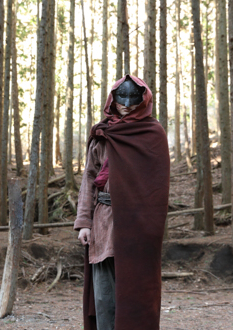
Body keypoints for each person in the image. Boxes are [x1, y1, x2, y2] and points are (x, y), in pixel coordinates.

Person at [74, 75, 170, 330]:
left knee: (136, 292)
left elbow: (157, 186)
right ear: (112, 100)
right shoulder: (102, 134)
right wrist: (84, 223)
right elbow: (89, 179)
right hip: (104, 221)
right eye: (121, 100)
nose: (126, 105)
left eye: (133, 100)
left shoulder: (152, 134)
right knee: (104, 295)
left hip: (138, 225)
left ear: (144, 101)